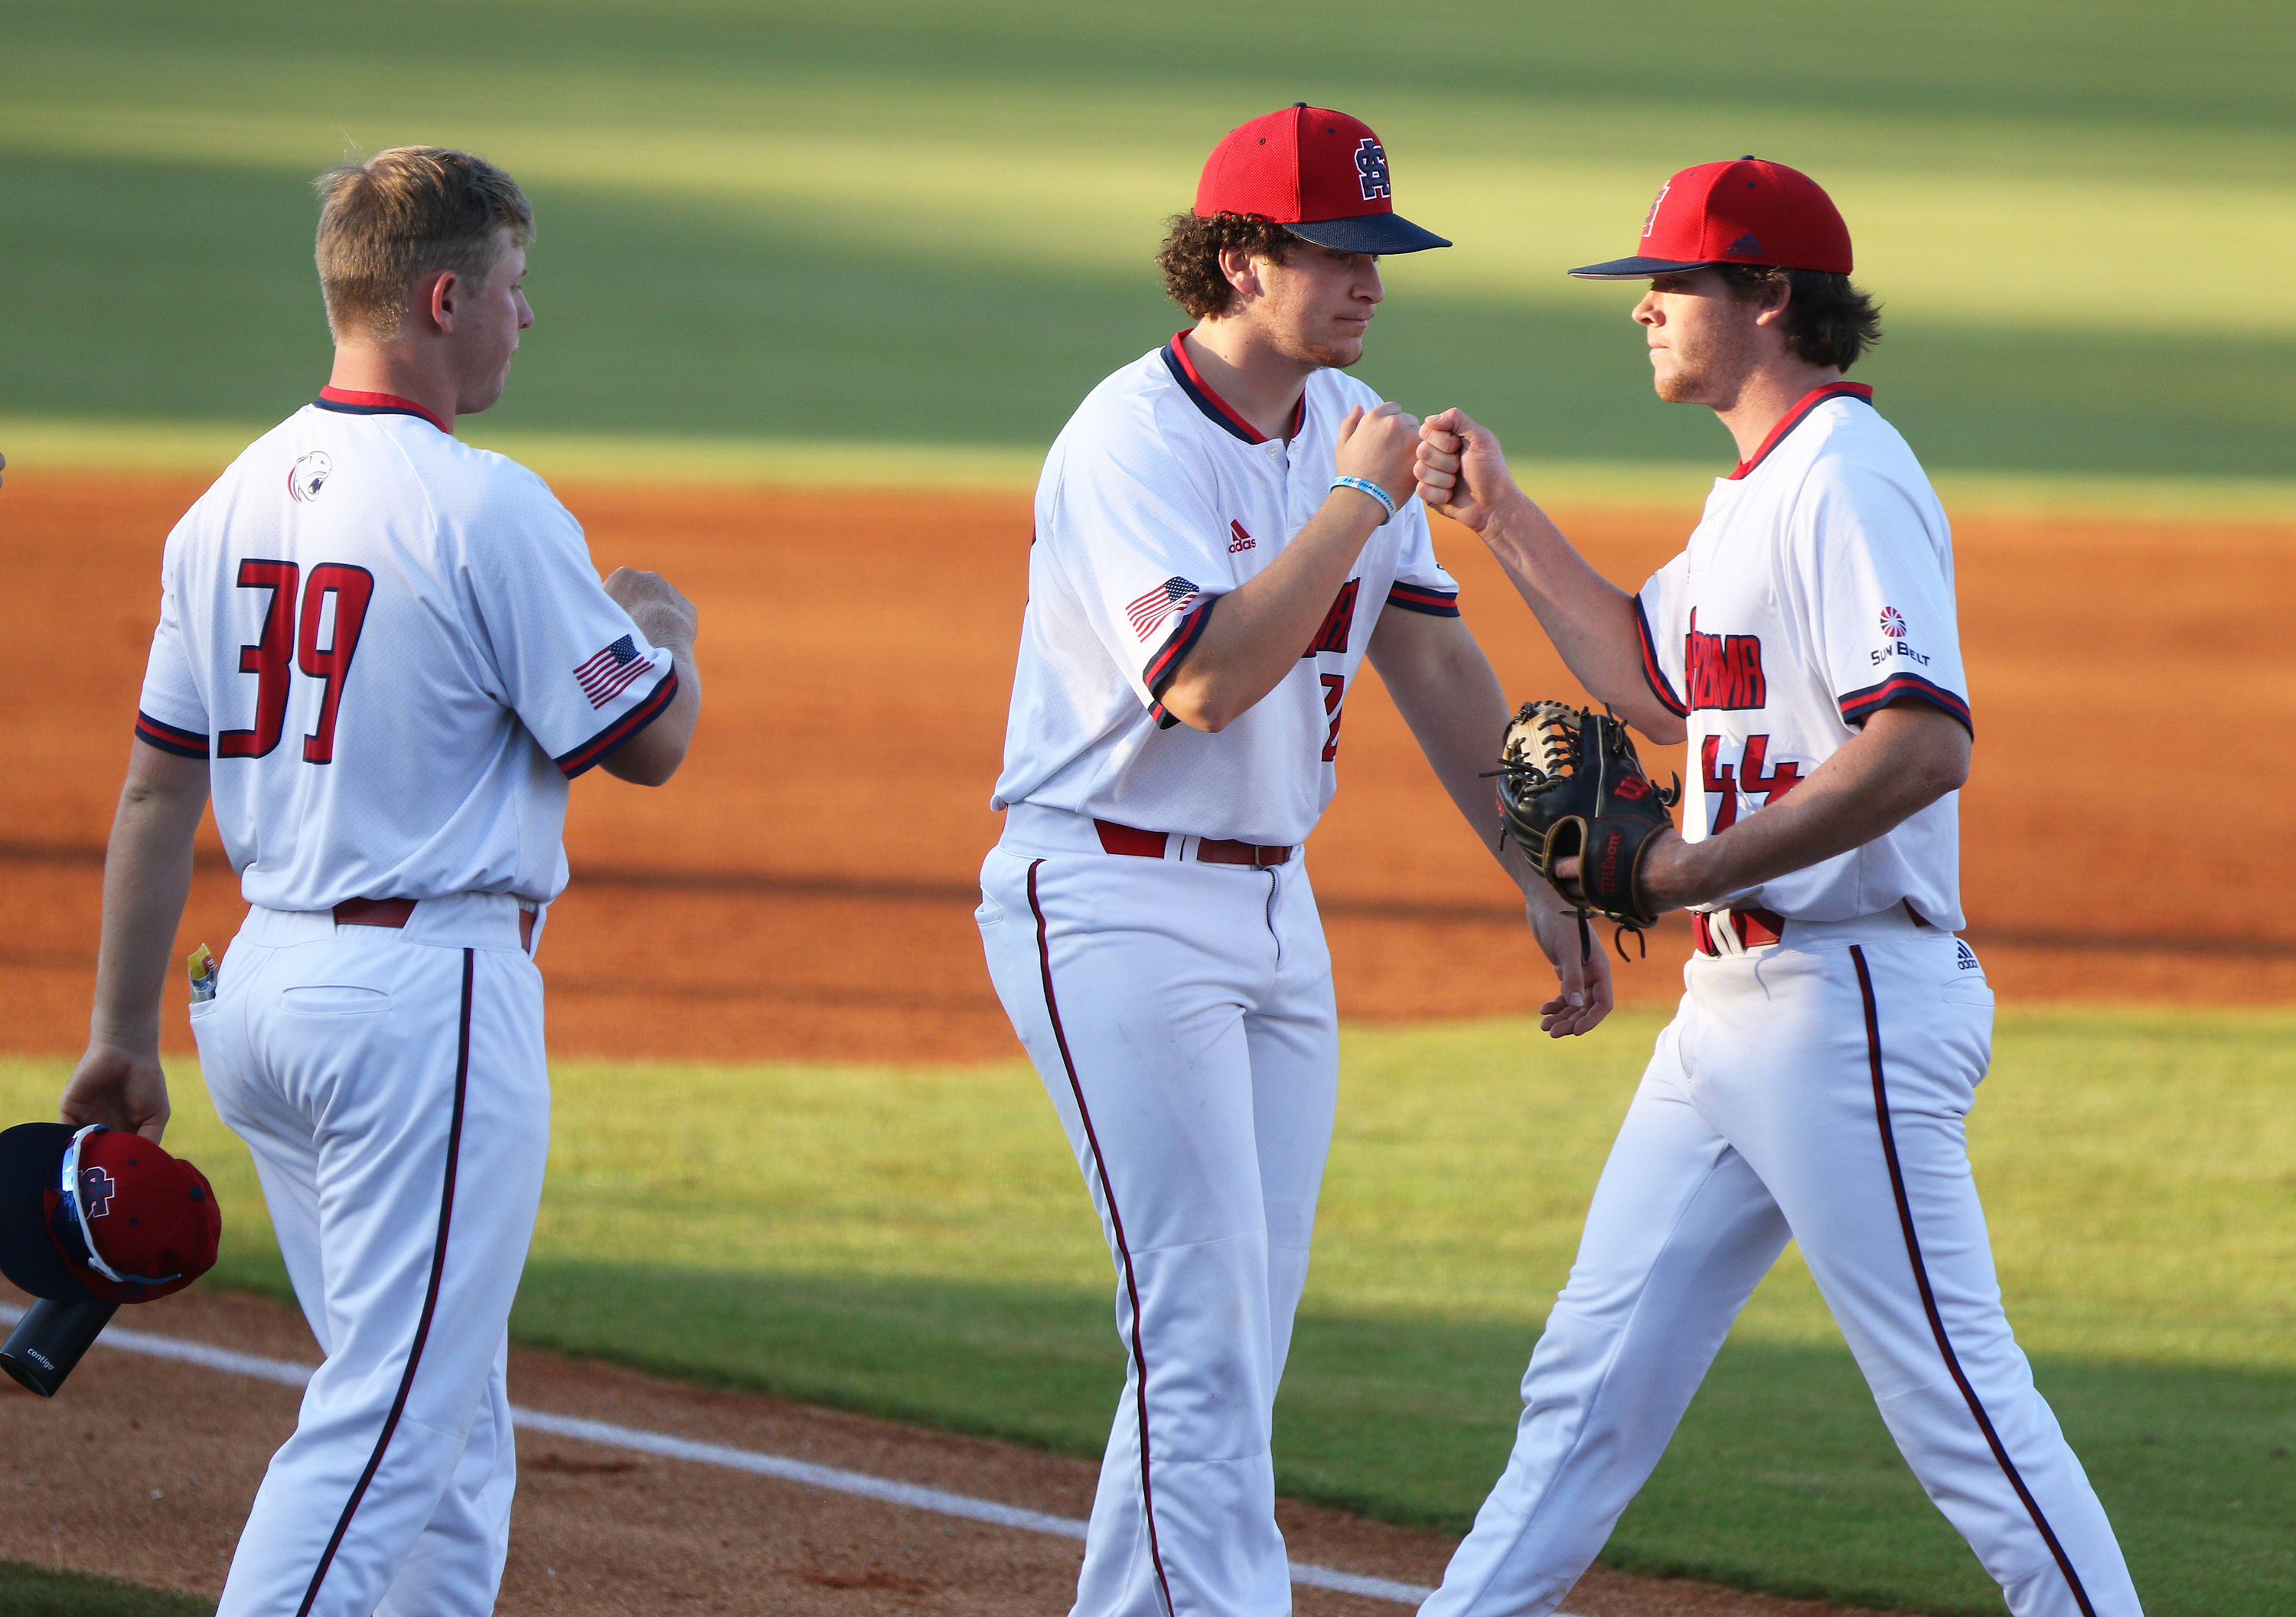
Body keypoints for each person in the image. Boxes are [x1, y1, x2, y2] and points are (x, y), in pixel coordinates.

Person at [1408, 158, 2142, 1617]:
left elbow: (1922, 742)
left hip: (1846, 998)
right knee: (1589, 1382)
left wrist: (1691, 865)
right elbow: (1647, 674)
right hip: (1736, 1008)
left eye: (1673, 285)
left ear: (1771, 298)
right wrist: (1501, 519)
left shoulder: (1849, 476)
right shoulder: (1754, 490)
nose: (1648, 313)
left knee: (1963, 1414)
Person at [976, 104, 1611, 1617]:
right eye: (1339, 252)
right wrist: (1357, 500)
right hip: (1112, 898)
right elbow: (1200, 677)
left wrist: (1541, 868)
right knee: (1196, 1322)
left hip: (1274, 909)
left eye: (1384, 252)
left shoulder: (1348, 429)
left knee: (1236, 1330)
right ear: (1237, 259)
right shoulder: (1129, 437)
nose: (1372, 280)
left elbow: (1438, 667)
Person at [58, 147, 700, 1617]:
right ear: (441, 294)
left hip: (264, 995)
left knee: (453, 1423)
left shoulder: (218, 507)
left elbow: (159, 787)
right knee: (393, 1419)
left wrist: (121, 1033)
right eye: (515, 289)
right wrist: (660, 617)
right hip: (422, 1004)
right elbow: (648, 736)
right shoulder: (483, 504)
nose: (526, 320)